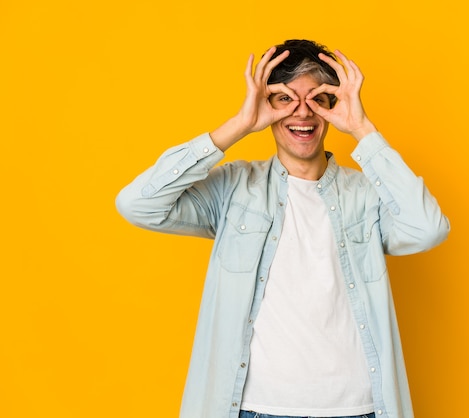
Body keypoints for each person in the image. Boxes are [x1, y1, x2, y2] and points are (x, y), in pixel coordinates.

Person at [116, 39, 450, 418]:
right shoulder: (233, 189)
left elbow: (428, 229)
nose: (302, 113)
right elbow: (138, 204)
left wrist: (363, 130)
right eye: (285, 99)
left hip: (358, 409)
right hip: (252, 409)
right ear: (266, 107)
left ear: (332, 109)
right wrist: (238, 126)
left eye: (317, 99)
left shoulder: (366, 195)